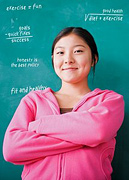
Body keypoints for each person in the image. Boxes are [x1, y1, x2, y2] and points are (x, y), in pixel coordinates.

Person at [3, 27, 124, 180]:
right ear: (53, 59)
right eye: (60, 53)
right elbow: (12, 150)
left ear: (94, 58)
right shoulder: (33, 100)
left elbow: (97, 130)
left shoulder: (109, 100)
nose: (68, 59)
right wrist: (84, 137)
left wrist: (38, 126)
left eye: (78, 51)